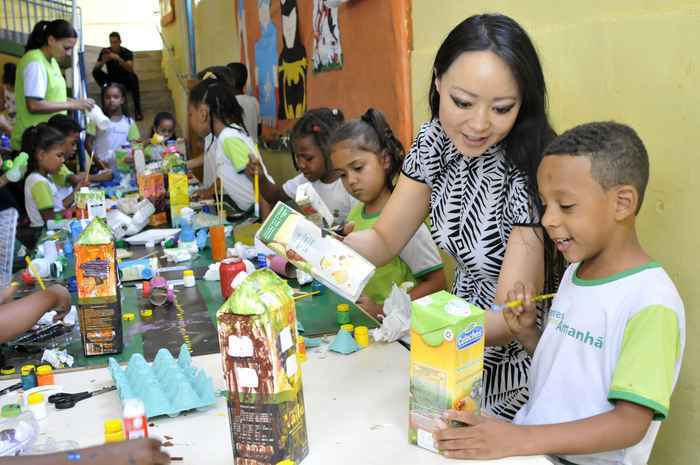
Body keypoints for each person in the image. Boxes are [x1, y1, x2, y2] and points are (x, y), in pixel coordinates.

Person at [343, 14, 565, 420]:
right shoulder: (434, 142)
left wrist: (424, 329)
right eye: (462, 102)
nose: (478, 125)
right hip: (452, 345)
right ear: (438, 82)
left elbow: (509, 318)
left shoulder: (531, 168)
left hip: (514, 366)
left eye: (502, 108)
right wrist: (324, 248)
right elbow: (383, 241)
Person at [433, 122, 685, 465]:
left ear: (622, 203)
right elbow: (573, 372)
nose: (548, 219)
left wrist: (517, 438)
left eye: (565, 206)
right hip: (535, 450)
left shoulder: (650, 302)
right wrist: (528, 335)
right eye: (544, 204)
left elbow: (629, 424)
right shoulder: (575, 274)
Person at [330, 109, 446, 316]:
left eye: (358, 168)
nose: (351, 180)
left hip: (406, 334)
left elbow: (437, 284)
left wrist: (383, 310)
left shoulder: (404, 220)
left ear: (384, 160)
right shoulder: (356, 214)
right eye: (342, 175)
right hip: (373, 329)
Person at [245, 107, 357, 224]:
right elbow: (274, 196)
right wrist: (261, 178)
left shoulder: (349, 185)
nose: (301, 164)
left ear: (329, 150)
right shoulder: (304, 182)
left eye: (308, 158)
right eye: (297, 157)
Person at [187, 71, 273, 214]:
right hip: (253, 211)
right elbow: (230, 174)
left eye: (190, 114)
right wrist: (209, 191)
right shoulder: (222, 138)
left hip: (262, 212)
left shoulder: (229, 138)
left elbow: (259, 182)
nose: (189, 120)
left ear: (203, 114)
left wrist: (265, 228)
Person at [10, 20, 94, 150]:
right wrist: (73, 104)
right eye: (66, 48)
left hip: (48, 142)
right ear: (51, 40)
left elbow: (53, 98)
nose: (68, 53)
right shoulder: (35, 62)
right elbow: (34, 104)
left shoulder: (52, 62)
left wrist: (78, 102)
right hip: (33, 144)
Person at [23, 124, 78, 232]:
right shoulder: (38, 182)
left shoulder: (45, 177)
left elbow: (57, 207)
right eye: (59, 155)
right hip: (43, 235)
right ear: (41, 155)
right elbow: (50, 218)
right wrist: (71, 212)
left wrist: (76, 193)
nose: (63, 160)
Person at [85, 82, 140, 173]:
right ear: (103, 99)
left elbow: (136, 145)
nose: (111, 100)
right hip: (100, 168)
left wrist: (132, 157)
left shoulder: (129, 123)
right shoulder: (96, 119)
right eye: (107, 97)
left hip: (123, 169)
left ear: (122, 100)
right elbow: (87, 144)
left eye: (116, 97)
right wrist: (99, 163)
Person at [92, 32, 143, 121]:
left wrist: (118, 58)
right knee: (96, 72)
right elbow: (96, 68)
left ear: (120, 42)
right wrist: (103, 61)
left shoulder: (127, 53)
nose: (113, 45)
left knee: (133, 77)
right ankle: (105, 108)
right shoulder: (105, 51)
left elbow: (130, 69)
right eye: (111, 42)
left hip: (124, 79)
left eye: (115, 42)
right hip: (111, 79)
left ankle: (138, 110)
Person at [227, 62, 261, 144]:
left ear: (230, 81)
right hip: (253, 150)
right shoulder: (254, 102)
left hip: (238, 150)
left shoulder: (228, 103)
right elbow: (259, 130)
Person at [0, 62, 16, 136]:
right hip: (16, 119)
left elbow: (2, 106)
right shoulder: (21, 89)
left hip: (8, 117)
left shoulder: (3, 87)